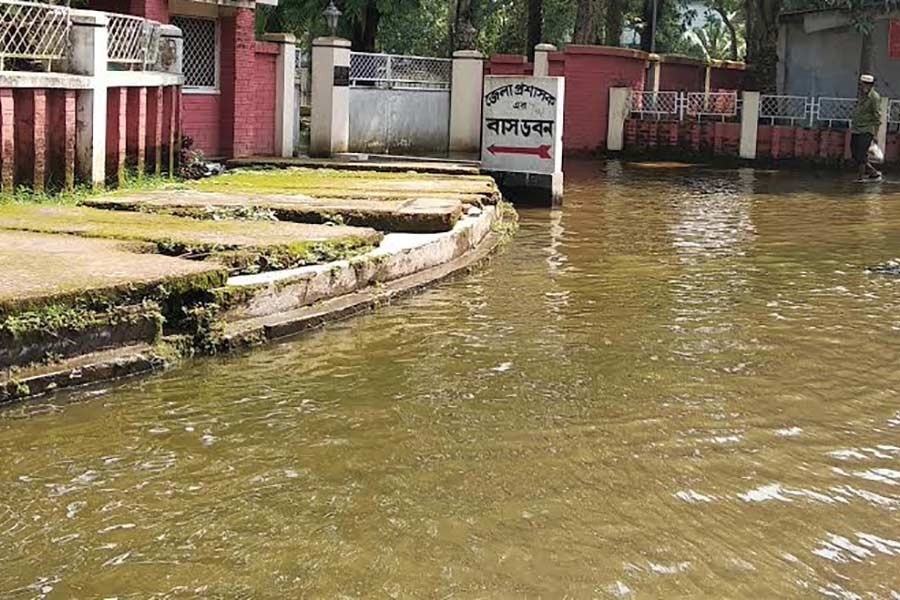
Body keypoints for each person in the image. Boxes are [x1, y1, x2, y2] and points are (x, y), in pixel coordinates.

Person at [850, 73, 883, 183]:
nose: (862, 87)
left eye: (863, 85)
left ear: (868, 85)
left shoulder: (874, 97)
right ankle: (873, 173)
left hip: (866, 130)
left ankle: (860, 178)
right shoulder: (862, 96)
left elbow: (877, 116)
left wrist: (876, 135)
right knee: (854, 153)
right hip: (856, 129)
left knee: (861, 154)